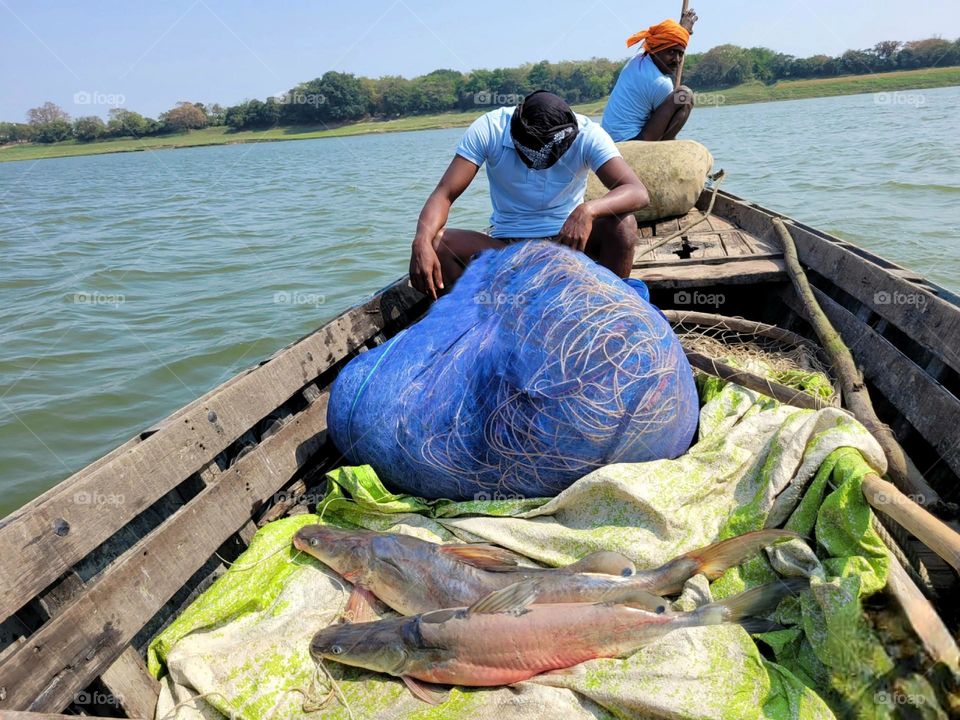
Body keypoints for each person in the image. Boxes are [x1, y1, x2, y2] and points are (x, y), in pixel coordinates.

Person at [409, 91, 649, 299]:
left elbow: (636, 191)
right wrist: (421, 241)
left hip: (569, 244)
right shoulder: (490, 129)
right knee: (438, 244)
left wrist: (587, 210)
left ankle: (607, 307)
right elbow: (445, 193)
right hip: (507, 248)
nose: (537, 165)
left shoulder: (588, 134)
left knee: (623, 225)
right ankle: (472, 319)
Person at [601, 9, 699, 142]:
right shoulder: (659, 83)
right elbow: (666, 121)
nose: (676, 59)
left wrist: (682, 31)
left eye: (680, 54)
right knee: (684, 96)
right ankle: (664, 147)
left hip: (608, 139)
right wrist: (682, 32)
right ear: (656, 50)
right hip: (631, 141)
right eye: (671, 52)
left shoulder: (637, 58)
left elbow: (648, 42)